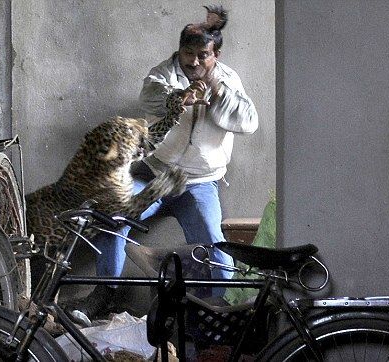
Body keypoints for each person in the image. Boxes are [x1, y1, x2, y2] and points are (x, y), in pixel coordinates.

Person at [71, 4, 258, 319]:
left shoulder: (228, 81)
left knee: (219, 256)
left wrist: (215, 91)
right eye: (188, 53)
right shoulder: (161, 74)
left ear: (216, 57)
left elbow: (248, 121)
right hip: (155, 175)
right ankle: (105, 293)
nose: (194, 61)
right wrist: (180, 97)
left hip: (200, 184)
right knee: (112, 215)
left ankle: (212, 312)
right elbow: (151, 98)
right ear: (180, 50)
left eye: (203, 56)